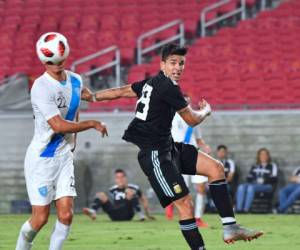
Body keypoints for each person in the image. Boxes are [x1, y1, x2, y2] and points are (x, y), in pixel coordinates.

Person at [89, 43, 263, 249]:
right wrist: (206, 111)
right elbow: (192, 119)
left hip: (169, 147)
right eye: (173, 63)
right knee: (185, 205)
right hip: (155, 155)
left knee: (215, 168)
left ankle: (230, 227)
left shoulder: (151, 83)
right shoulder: (168, 86)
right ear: (162, 65)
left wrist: (93, 96)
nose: (178, 67)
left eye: (181, 63)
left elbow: (122, 91)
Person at [16, 32, 108, 250]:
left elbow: (82, 104)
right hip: (42, 158)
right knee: (40, 219)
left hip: (64, 157)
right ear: (43, 59)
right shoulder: (40, 87)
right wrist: (91, 123)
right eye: (50, 61)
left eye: (57, 59)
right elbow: (58, 125)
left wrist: (130, 91)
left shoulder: (76, 80)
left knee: (66, 215)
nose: (54, 64)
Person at [165, 94, 211, 228]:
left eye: (188, 102)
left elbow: (198, 140)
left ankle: (198, 218)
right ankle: (172, 202)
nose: (186, 105)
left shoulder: (193, 120)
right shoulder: (171, 116)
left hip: (194, 155)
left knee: (201, 188)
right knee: (182, 190)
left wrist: (205, 147)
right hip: (178, 155)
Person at [83, 169, 154, 221]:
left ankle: (140, 214)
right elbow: (106, 201)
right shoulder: (112, 189)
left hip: (127, 213)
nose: (120, 179)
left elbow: (143, 199)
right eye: (117, 177)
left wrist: (148, 214)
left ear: (125, 178)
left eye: (122, 177)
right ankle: (93, 211)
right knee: (100, 194)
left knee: (129, 192)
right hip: (114, 214)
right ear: (115, 179)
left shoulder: (134, 187)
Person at [236, 148, 278, 213]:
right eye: (261, 154)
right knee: (241, 187)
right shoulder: (255, 166)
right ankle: (239, 209)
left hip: (267, 186)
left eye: (265, 154)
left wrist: (264, 180)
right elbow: (249, 177)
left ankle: (245, 209)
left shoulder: (272, 166)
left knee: (250, 188)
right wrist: (255, 180)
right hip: (255, 184)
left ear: (268, 156)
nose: (263, 156)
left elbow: (274, 178)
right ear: (258, 156)